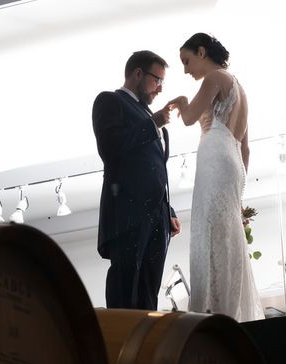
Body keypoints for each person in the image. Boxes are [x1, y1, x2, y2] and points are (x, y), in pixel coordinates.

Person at [166, 33, 264, 321]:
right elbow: (245, 146)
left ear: (201, 51)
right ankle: (228, 308)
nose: (186, 70)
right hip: (232, 158)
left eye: (186, 61)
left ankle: (214, 311)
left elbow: (188, 116)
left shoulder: (214, 78)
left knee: (209, 231)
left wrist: (182, 101)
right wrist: (240, 187)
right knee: (227, 233)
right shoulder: (239, 87)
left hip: (214, 155)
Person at [92, 50, 181, 311]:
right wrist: (153, 123)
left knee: (149, 294)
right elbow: (110, 148)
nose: (160, 89)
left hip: (157, 218)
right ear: (138, 73)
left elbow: (155, 170)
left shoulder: (146, 113)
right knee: (125, 289)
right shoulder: (109, 101)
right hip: (127, 215)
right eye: (157, 80)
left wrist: (168, 211)